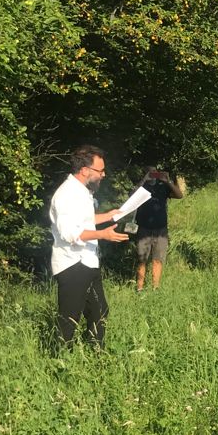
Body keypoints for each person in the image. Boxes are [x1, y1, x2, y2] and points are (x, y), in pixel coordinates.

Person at [49, 145, 129, 348]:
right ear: (85, 170)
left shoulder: (81, 192)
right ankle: (59, 364)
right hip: (73, 264)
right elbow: (70, 233)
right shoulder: (67, 194)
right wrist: (103, 234)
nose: (104, 175)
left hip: (87, 261)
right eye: (100, 171)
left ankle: (97, 357)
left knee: (100, 312)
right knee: (69, 319)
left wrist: (109, 215)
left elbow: (83, 221)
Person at [134, 166, 184, 291]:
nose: (153, 174)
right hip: (144, 228)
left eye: (155, 172)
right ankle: (139, 288)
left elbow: (179, 195)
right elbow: (132, 196)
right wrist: (144, 180)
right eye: (150, 172)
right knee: (142, 259)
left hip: (160, 229)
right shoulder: (142, 186)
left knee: (158, 259)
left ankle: (155, 287)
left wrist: (168, 181)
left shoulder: (163, 186)